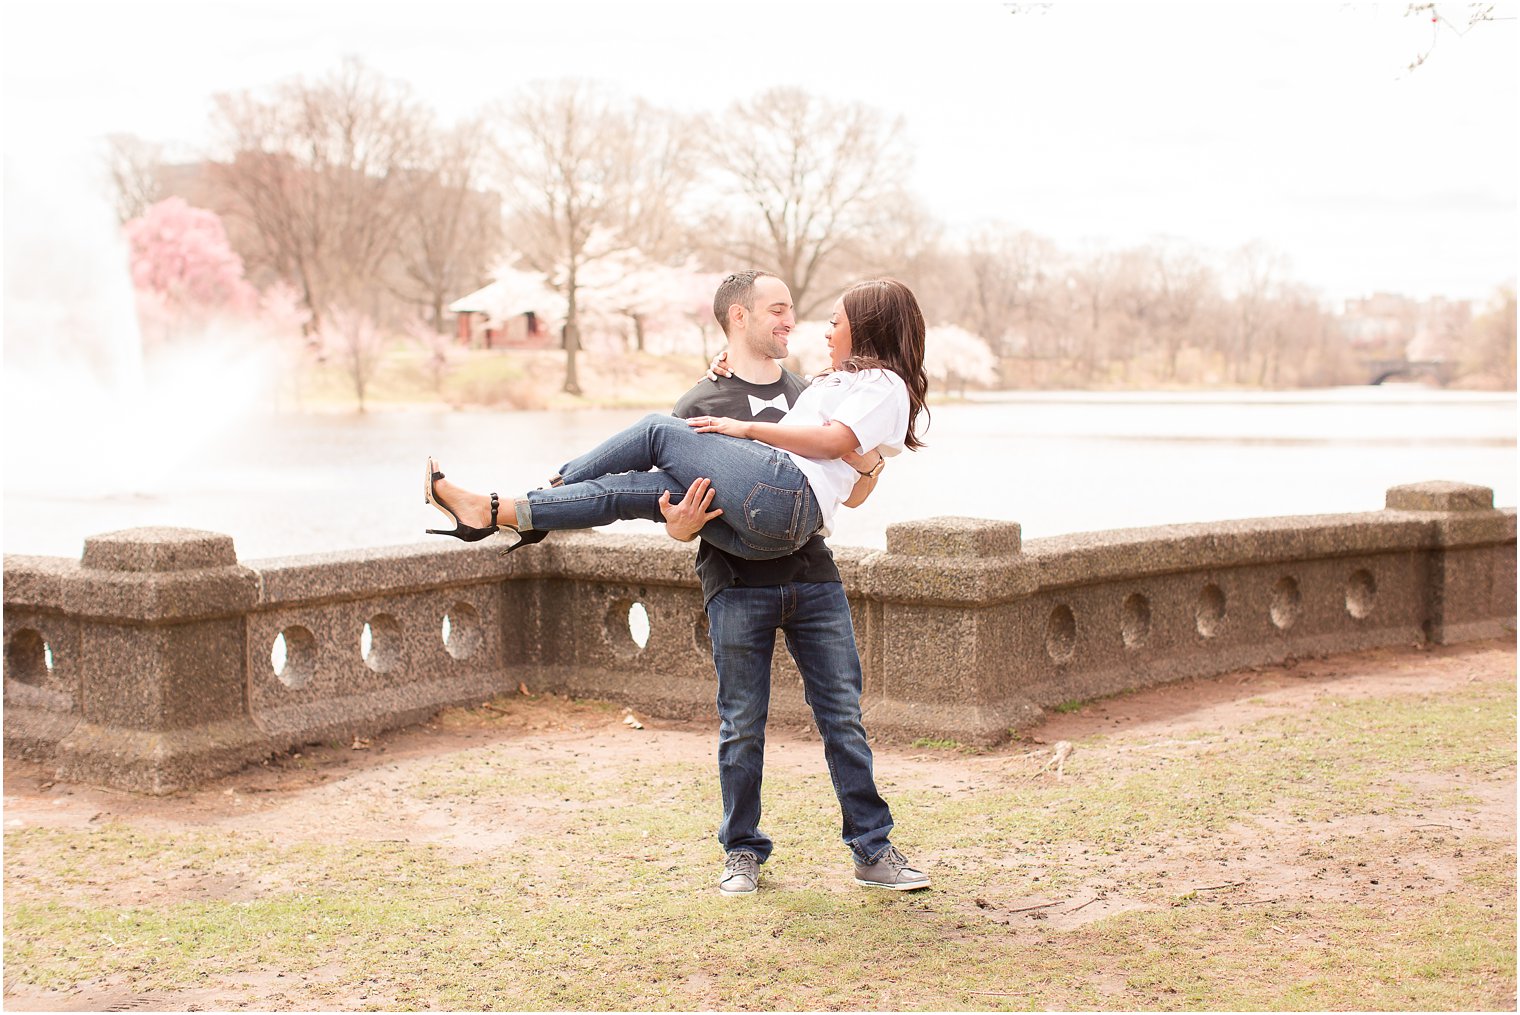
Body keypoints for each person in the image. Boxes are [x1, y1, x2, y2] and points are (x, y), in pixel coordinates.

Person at [660, 270, 932, 895]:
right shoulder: (698, 405)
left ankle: (873, 849)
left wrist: (866, 461)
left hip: (813, 577)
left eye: (792, 312)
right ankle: (742, 853)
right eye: (777, 311)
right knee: (741, 724)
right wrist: (679, 527)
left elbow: (857, 492)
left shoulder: (817, 391)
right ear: (738, 319)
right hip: (735, 582)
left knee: (843, 717)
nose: (791, 323)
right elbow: (673, 515)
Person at [422, 276, 930, 567]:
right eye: (779, 310)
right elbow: (836, 440)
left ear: (866, 327)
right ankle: (497, 512)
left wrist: (746, 428)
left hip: (786, 503)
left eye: (836, 322)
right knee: (628, 490)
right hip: (765, 528)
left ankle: (551, 487)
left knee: (654, 430)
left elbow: (836, 445)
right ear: (738, 317)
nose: (823, 329)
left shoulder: (881, 385)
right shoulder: (834, 383)